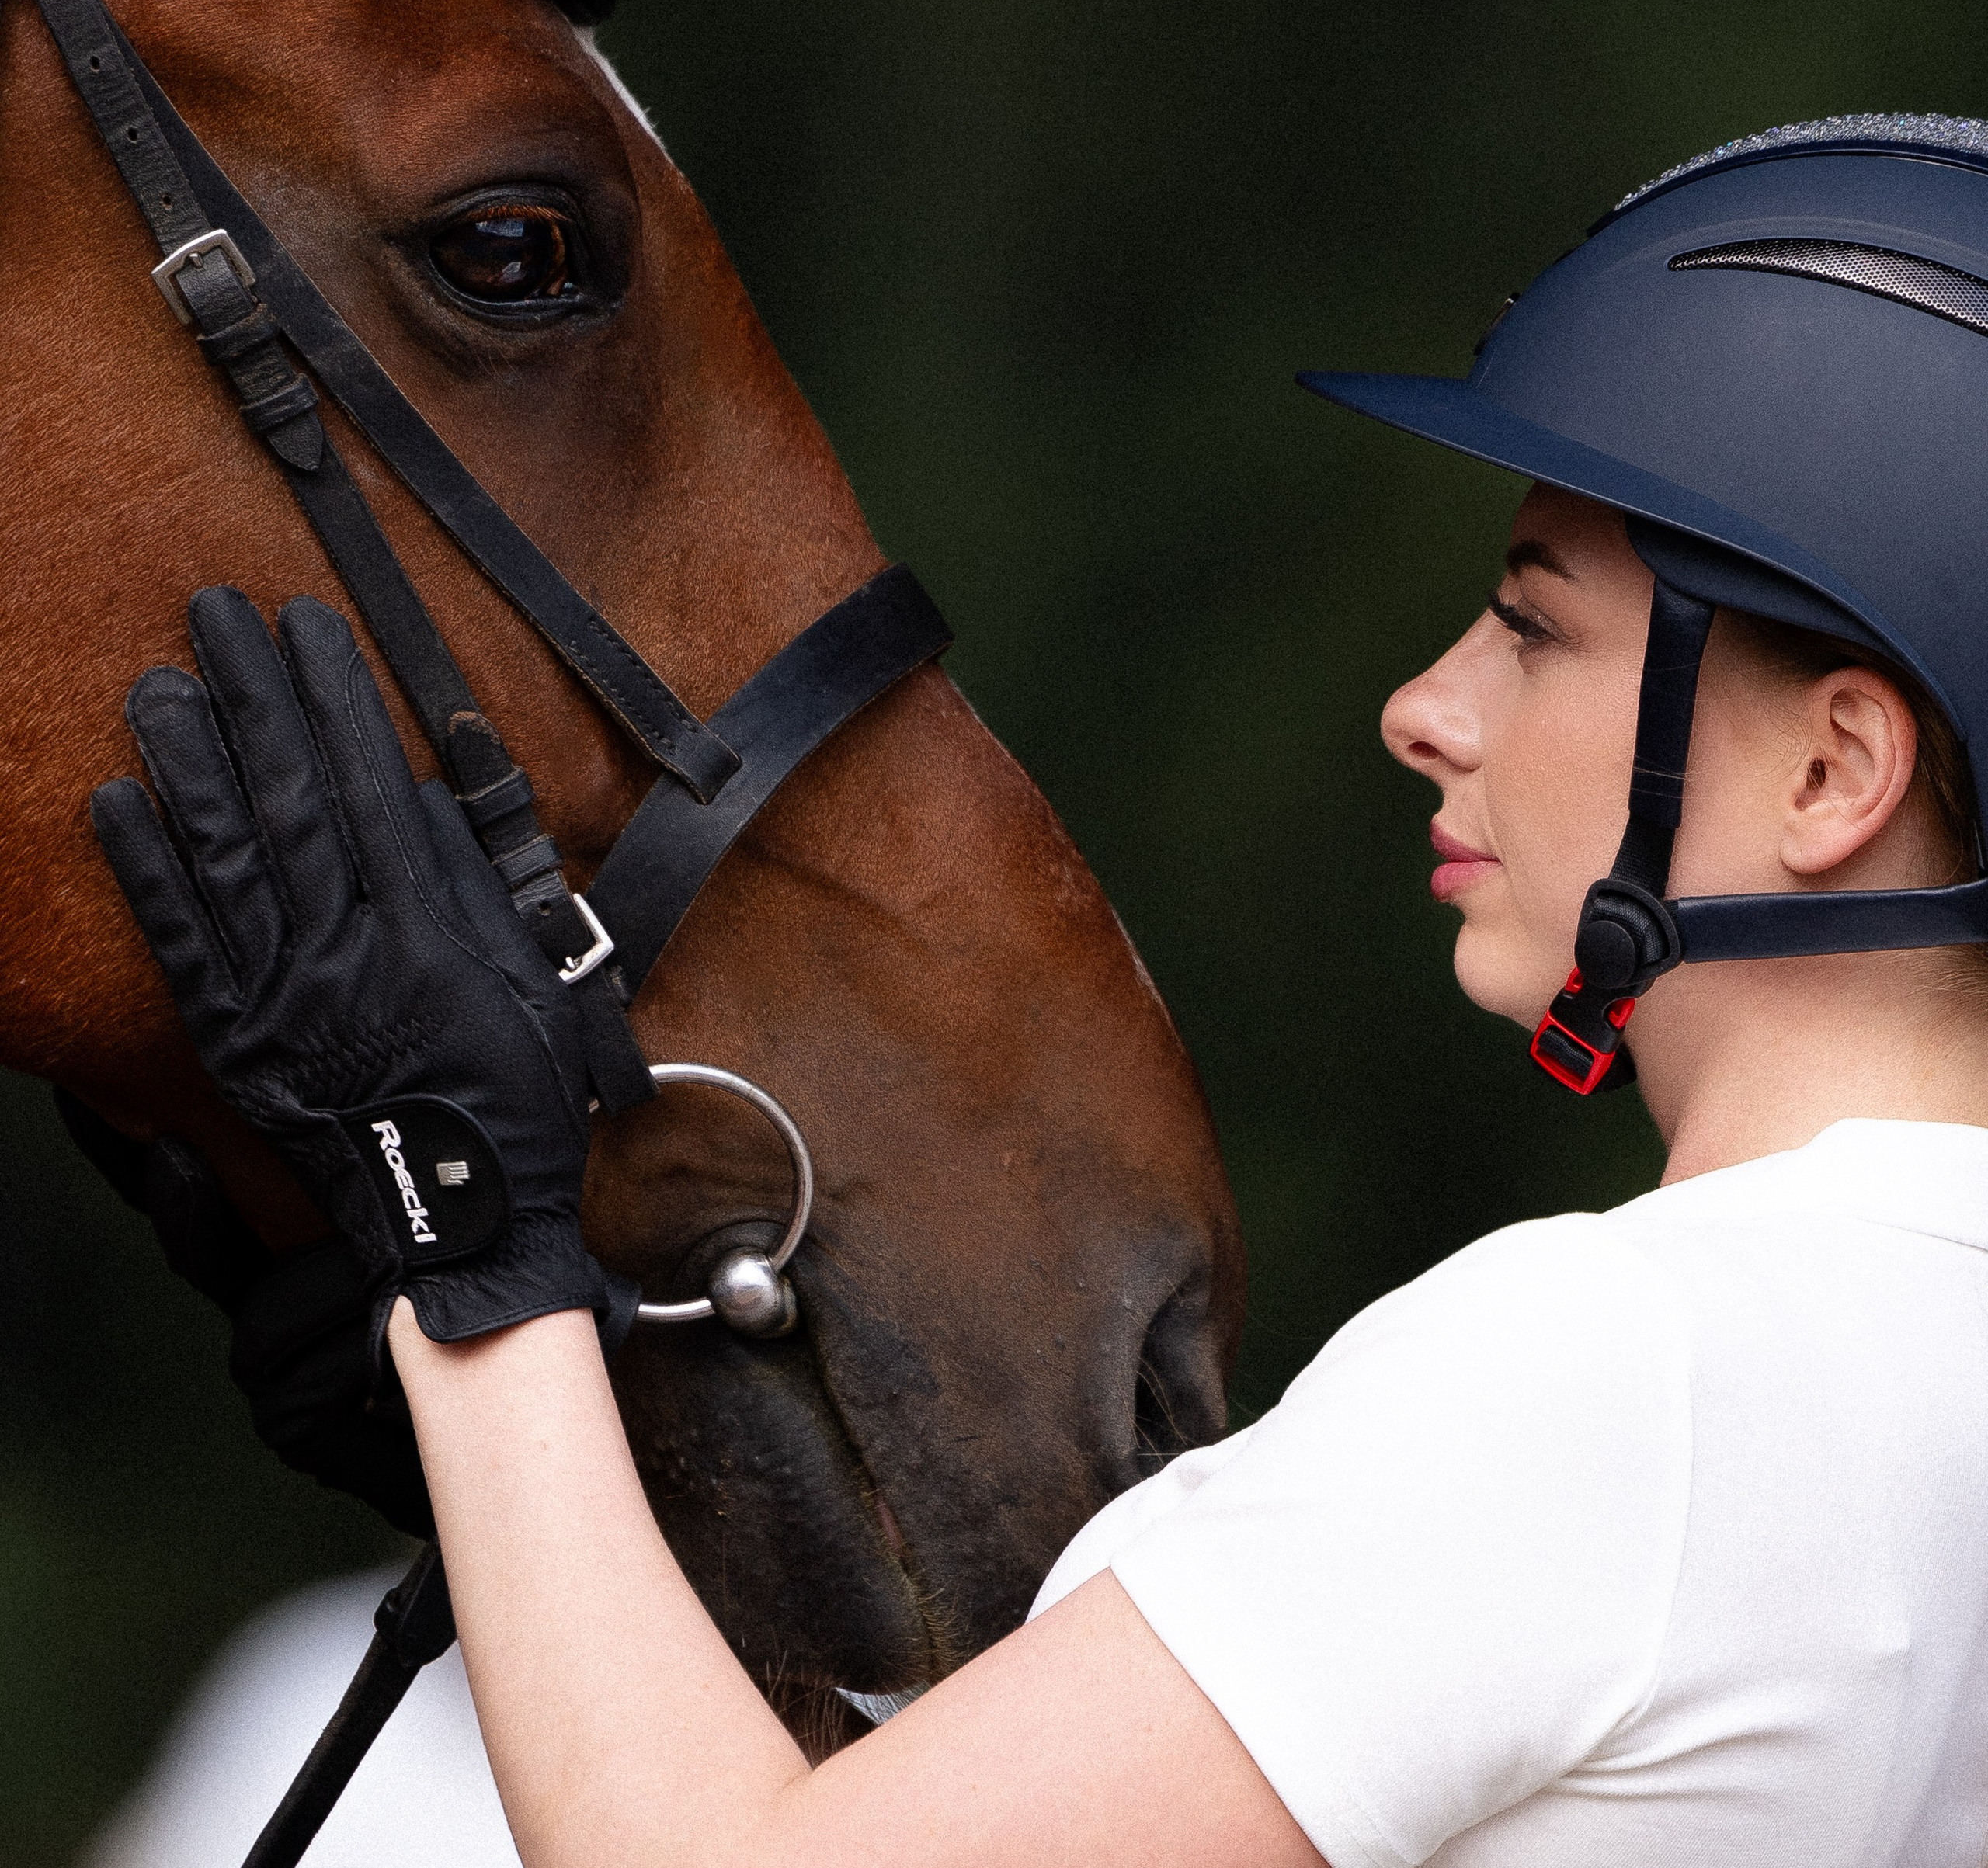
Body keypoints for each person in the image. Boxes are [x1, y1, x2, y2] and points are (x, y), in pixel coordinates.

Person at [91, 113, 1988, 1866]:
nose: (1427, 710)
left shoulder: (1614, 1373)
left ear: (1831, 773)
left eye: (1530, 628)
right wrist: (558, 1479)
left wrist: (469, 1262)